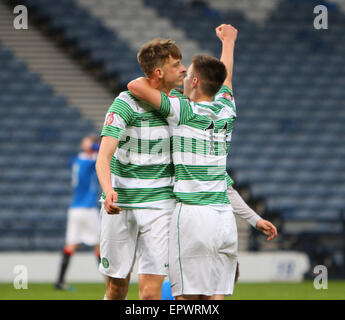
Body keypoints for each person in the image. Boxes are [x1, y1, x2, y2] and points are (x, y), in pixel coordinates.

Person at [127, 24, 277, 300]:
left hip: (194, 217)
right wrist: (229, 42)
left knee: (186, 298)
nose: (184, 75)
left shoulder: (185, 110)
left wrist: (160, 77)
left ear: (195, 82)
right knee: (215, 297)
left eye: (188, 73)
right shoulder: (226, 109)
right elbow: (227, 79)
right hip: (223, 220)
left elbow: (135, 86)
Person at [95, 39, 187, 300]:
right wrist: (108, 189)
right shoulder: (124, 104)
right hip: (121, 202)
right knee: (116, 287)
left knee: (149, 293)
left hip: (160, 205)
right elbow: (103, 156)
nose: (184, 69)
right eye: (176, 64)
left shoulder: (179, 103)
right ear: (158, 72)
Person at [55, 135, 101, 290]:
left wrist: (91, 146)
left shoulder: (77, 160)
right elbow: (103, 153)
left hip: (75, 208)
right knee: (99, 245)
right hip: (88, 208)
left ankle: (59, 281)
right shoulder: (88, 161)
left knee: (71, 245)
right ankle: (110, 281)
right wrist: (95, 146)